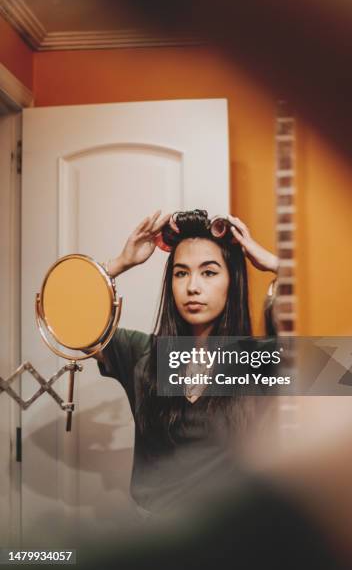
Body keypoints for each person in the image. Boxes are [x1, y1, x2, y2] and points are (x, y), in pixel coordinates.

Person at [95, 208, 280, 519]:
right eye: (181, 273)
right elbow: (60, 319)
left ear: (231, 281)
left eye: (208, 272)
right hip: (153, 541)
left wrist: (276, 265)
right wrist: (118, 264)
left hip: (228, 542)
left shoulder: (255, 360)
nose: (193, 286)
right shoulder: (144, 353)